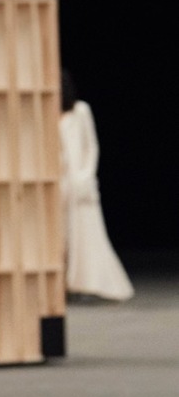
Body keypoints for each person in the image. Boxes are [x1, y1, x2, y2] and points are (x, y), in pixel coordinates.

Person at [59, 69, 134, 301]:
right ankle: (64, 286)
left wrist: (85, 175)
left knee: (86, 235)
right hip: (58, 182)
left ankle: (90, 284)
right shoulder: (46, 111)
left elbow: (91, 146)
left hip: (79, 183)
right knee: (62, 236)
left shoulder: (80, 110)